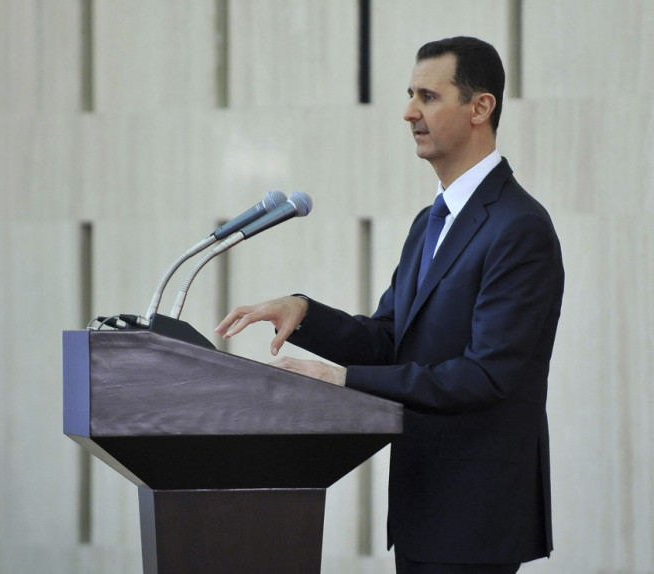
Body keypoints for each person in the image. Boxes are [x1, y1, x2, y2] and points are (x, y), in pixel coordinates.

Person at [215, 36, 564, 574]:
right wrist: (304, 312)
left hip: (477, 513)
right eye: (409, 95)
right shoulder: (430, 223)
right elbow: (388, 341)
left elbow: (485, 376)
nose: (408, 113)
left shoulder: (519, 227)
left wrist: (344, 381)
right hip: (422, 502)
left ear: (480, 107)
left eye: (427, 96)